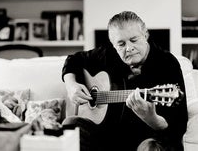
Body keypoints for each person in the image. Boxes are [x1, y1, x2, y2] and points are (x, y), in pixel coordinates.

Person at [62, 11, 188, 151]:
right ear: (113, 44)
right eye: (121, 44)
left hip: (146, 137)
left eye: (134, 40)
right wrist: (71, 85)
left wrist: (151, 118)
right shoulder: (108, 54)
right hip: (108, 136)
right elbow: (74, 59)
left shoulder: (167, 63)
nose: (128, 48)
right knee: (70, 124)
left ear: (145, 34)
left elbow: (178, 126)